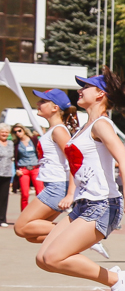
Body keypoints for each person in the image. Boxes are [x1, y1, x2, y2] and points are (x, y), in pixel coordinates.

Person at [35, 69, 125, 291]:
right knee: (43, 260)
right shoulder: (83, 127)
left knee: (55, 257)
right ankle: (114, 276)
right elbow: (78, 167)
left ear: (100, 94)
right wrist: (71, 193)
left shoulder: (101, 125)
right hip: (82, 205)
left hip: (102, 205)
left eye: (84, 87)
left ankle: (116, 279)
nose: (79, 90)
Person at [14, 90, 78, 245]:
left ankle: (80, 233)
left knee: (20, 227)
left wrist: (70, 194)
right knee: (31, 236)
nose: (38, 104)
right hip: (53, 186)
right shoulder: (53, 129)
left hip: (57, 187)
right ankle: (78, 239)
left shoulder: (58, 130)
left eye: (43, 101)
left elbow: (74, 161)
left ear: (55, 107)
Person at [12, 124, 43, 211]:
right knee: (25, 194)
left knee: (40, 193)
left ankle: (40, 212)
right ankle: (24, 214)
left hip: (35, 168)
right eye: (15, 132)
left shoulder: (33, 139)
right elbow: (15, 157)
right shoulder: (16, 143)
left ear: (24, 130)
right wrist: (17, 169)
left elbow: (40, 152)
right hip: (23, 169)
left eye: (19, 131)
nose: (18, 133)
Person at [0, 124, 14, 227]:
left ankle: (2, 219)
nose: (4, 134)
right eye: (2, 132)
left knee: (4, 197)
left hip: (7, 173)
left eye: (6, 132)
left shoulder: (11, 143)